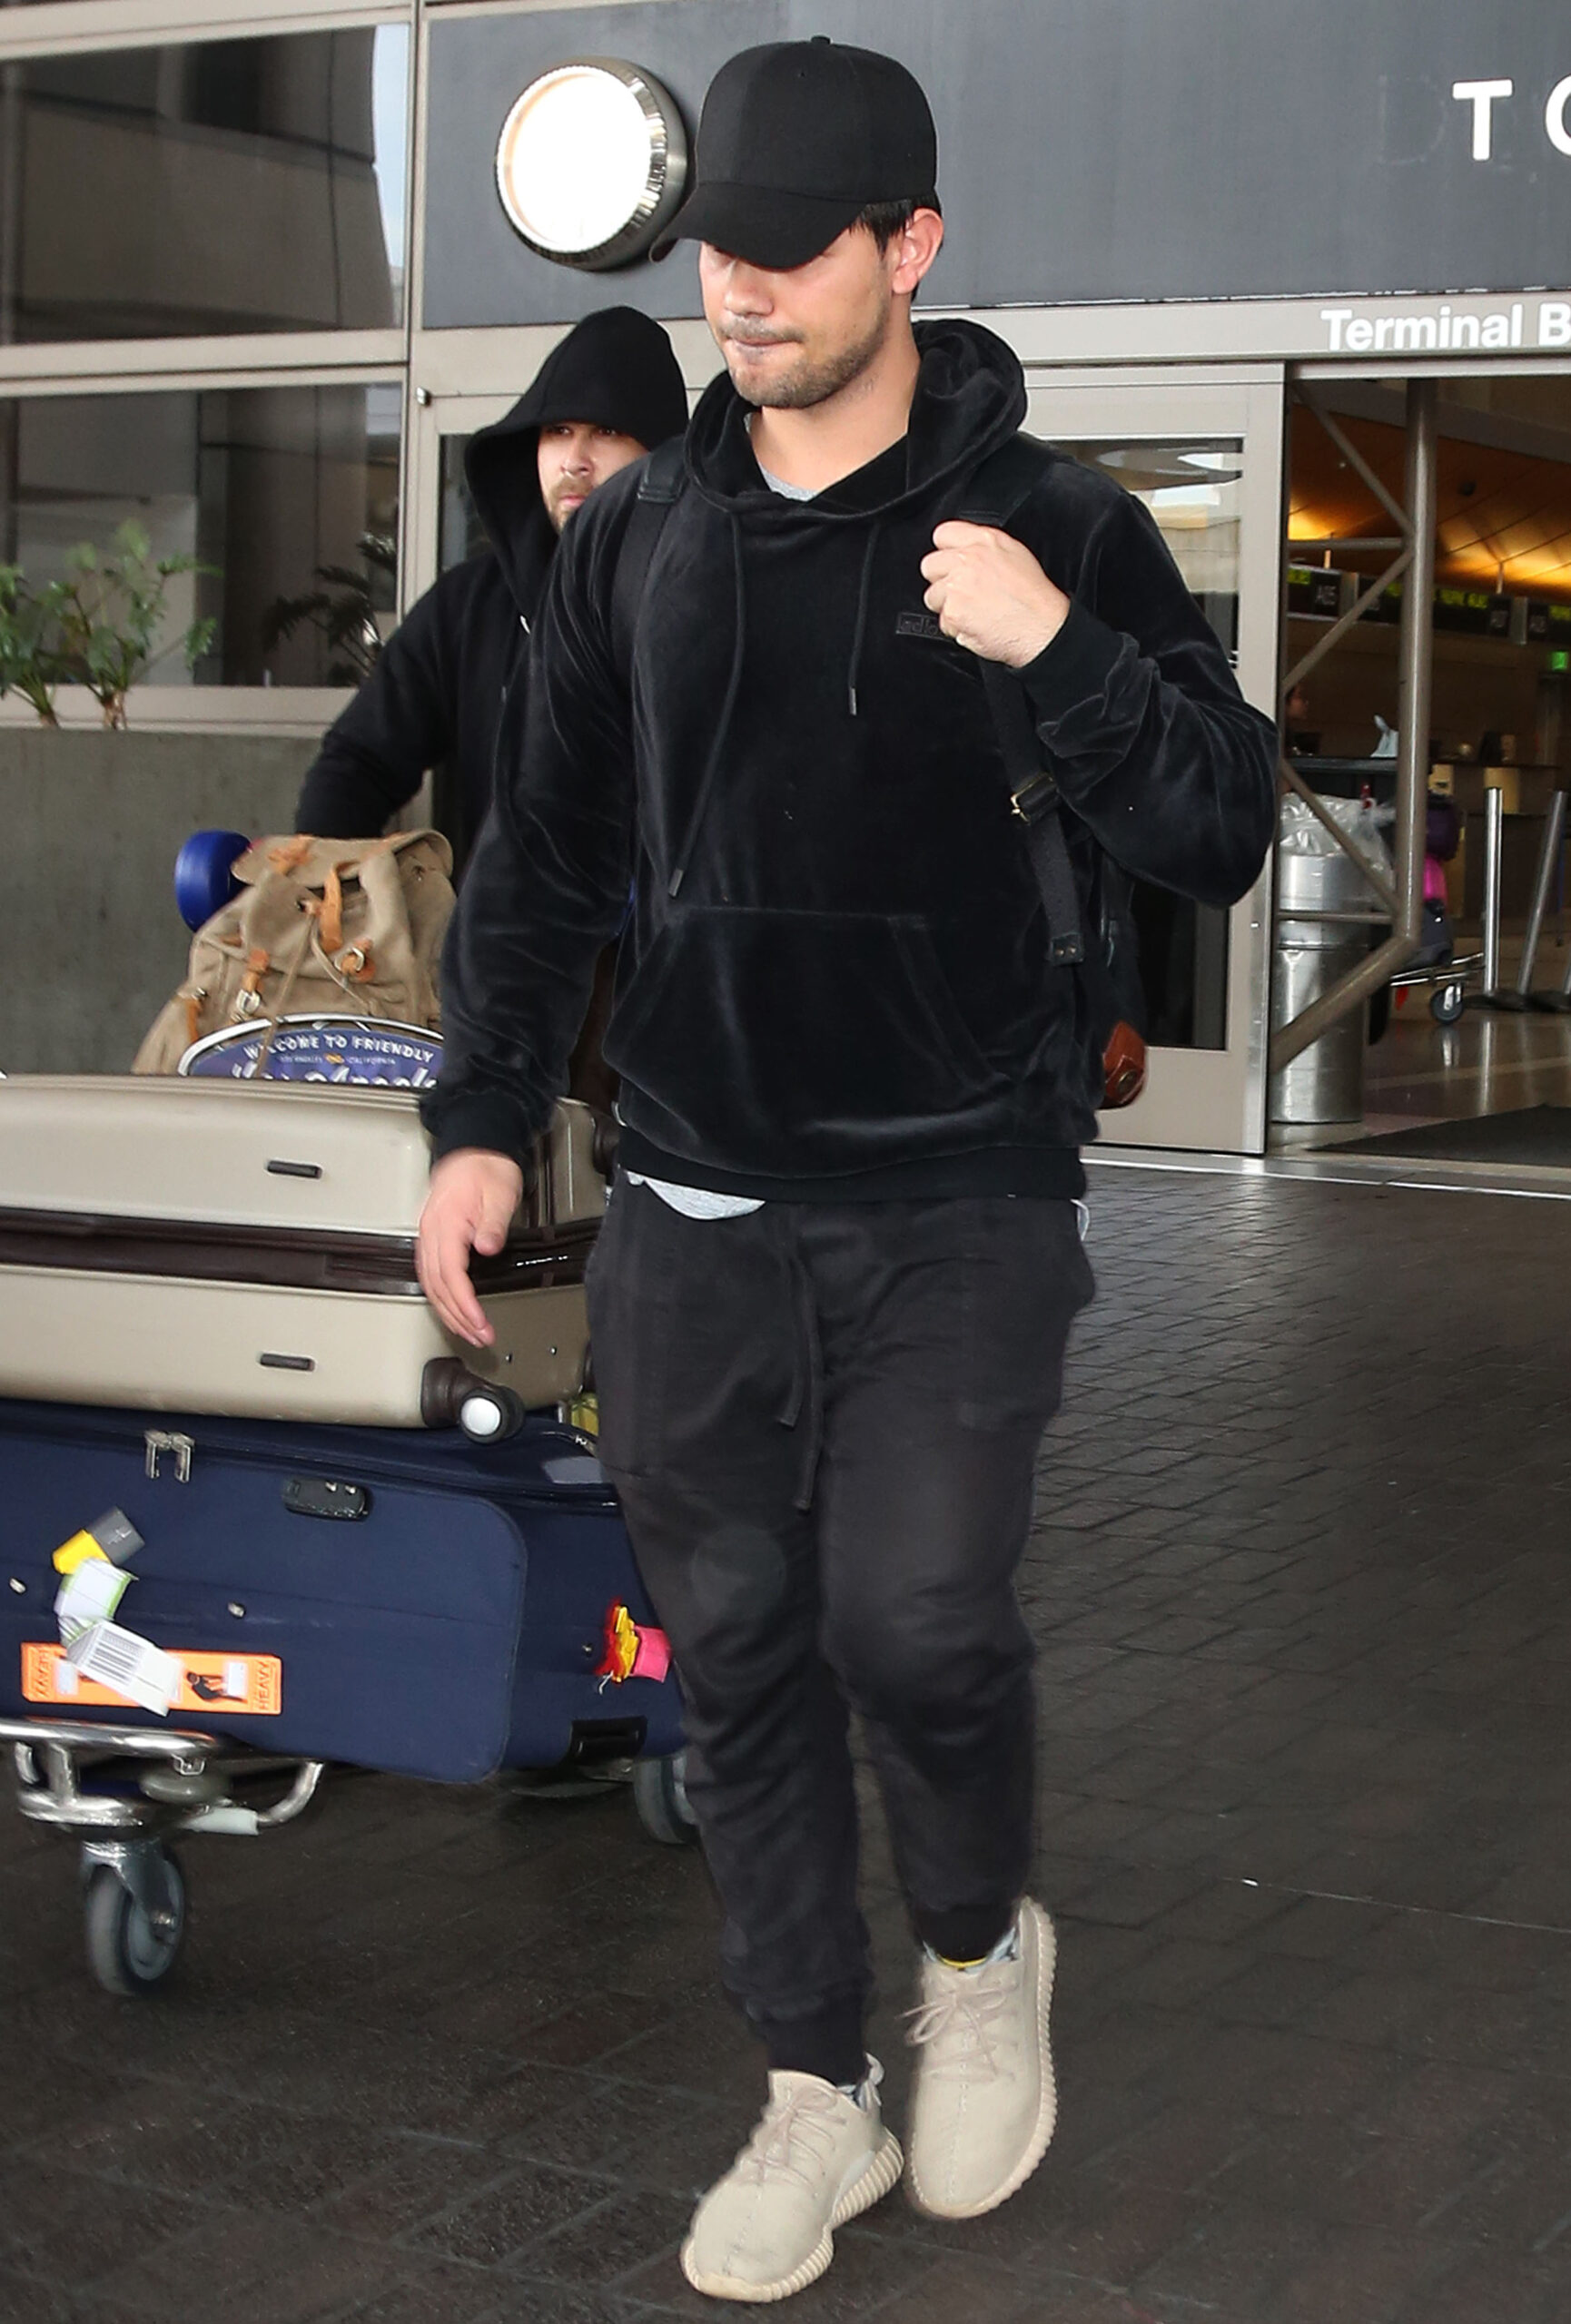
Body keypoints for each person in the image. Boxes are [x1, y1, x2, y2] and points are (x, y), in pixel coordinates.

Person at [418, 38, 1278, 2305]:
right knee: (742, 1652)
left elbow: (1218, 821)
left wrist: (1065, 653)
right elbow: (543, 859)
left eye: (796, 257)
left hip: (959, 1195)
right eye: (721, 251)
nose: (745, 295)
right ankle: (817, 2080)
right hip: (699, 1200)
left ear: (911, 248)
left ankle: (982, 1951)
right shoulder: (642, 542)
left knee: (914, 1617)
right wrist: (484, 1120)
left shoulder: (1061, 525)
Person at [293, 306, 689, 861]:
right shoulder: (471, 606)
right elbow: (360, 761)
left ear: (661, 457)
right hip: (504, 940)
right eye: (558, 431)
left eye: (606, 431)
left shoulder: (711, 602)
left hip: (666, 943)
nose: (575, 460)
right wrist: (323, 889)